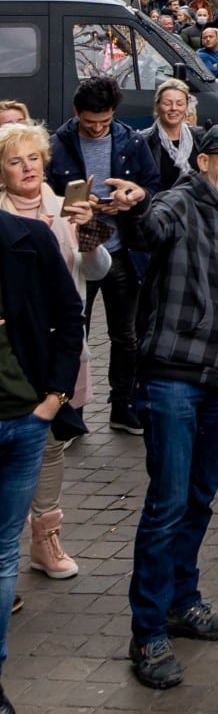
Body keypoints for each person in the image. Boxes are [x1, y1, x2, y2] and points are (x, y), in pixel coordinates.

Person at [119, 123, 218, 690]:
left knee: (200, 499)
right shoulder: (178, 203)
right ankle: (148, 631)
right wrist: (135, 206)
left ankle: (183, 602)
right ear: (203, 161)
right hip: (171, 382)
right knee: (167, 504)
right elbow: (147, 230)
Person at [0, 122, 107, 588]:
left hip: (63, 349)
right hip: (18, 355)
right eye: (15, 161)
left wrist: (90, 233)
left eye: (33, 159)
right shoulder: (4, 218)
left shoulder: (64, 207)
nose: (27, 168)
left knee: (52, 444)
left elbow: (96, 270)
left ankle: (45, 539)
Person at [0, 203, 88, 711]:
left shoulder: (30, 238)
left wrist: (53, 398)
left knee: (2, 553)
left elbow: (69, 315)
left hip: (26, 421)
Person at [47, 77, 163, 436]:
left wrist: (132, 198)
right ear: (76, 113)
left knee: (125, 335)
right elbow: (44, 198)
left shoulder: (131, 141)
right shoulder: (57, 146)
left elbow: (153, 188)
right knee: (73, 332)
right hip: (75, 250)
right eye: (89, 123)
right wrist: (77, 205)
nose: (97, 129)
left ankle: (122, 405)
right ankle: (71, 409)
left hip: (120, 249)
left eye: (104, 121)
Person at [142, 79, 204, 190]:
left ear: (186, 107)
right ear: (157, 106)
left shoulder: (200, 137)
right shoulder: (144, 141)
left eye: (180, 104)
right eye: (167, 103)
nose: (174, 108)